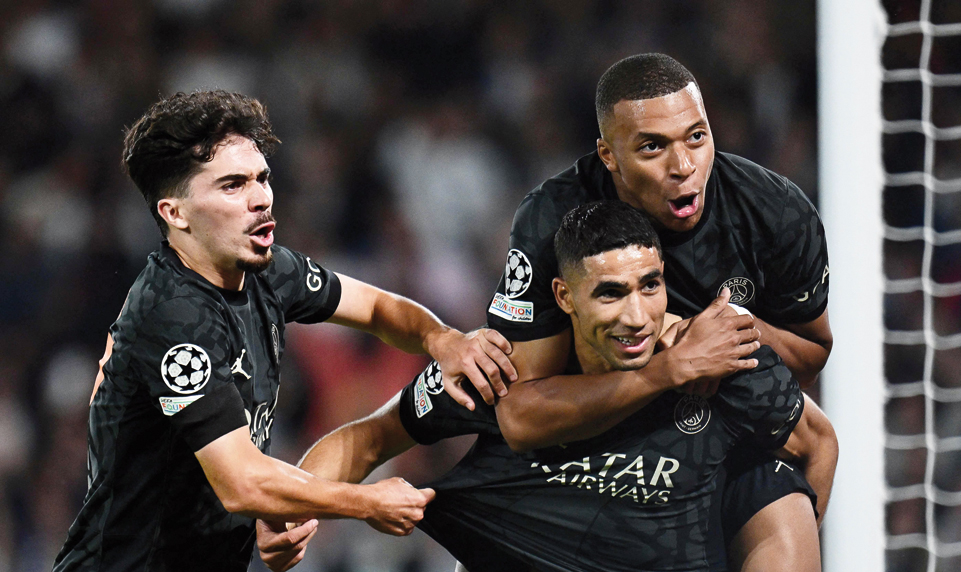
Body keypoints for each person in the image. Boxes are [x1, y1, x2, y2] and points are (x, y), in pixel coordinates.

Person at [52, 90, 517, 572]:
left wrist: (443, 339)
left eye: (262, 178)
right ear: (175, 213)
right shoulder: (171, 315)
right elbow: (243, 483)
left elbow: (379, 308)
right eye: (232, 185)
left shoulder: (267, 272)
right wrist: (367, 502)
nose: (260, 198)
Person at [258, 201, 834, 572]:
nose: (637, 316)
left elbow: (819, 444)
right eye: (610, 293)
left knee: (777, 491)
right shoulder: (501, 373)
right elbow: (367, 440)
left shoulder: (719, 364)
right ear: (563, 299)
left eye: (650, 286)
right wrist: (293, 512)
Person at [457, 53, 833, 570]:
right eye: (653, 147)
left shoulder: (775, 212)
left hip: (720, 432)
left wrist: (726, 332)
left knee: (783, 505)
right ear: (608, 155)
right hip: (587, 442)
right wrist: (668, 366)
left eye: (696, 138)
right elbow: (521, 416)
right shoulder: (553, 220)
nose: (683, 167)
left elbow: (813, 361)